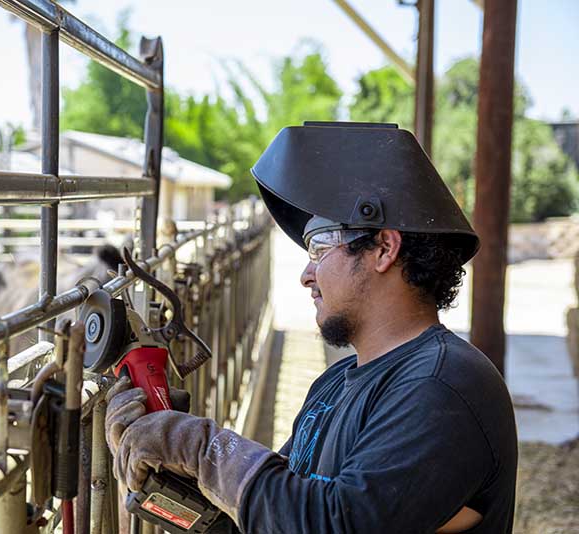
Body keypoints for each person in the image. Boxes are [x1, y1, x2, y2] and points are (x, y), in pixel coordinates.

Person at [104, 122, 518, 533]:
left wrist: (203, 448)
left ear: (384, 249)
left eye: (319, 247)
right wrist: (166, 472)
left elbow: (333, 525)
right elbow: (267, 520)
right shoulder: (337, 383)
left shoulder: (442, 386)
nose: (306, 274)